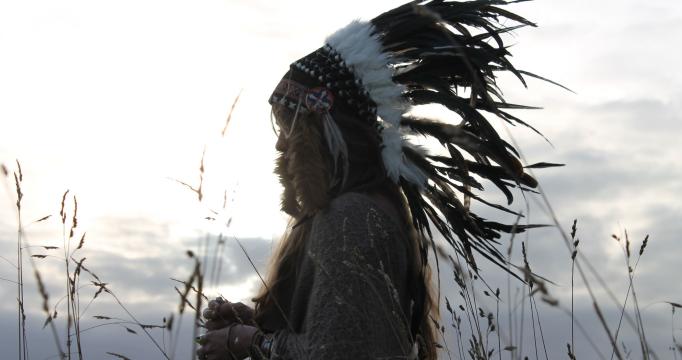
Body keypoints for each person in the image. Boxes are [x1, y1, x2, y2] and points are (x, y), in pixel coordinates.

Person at [196, 1, 548, 359]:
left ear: (325, 132)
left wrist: (247, 341)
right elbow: (344, 328)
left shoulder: (352, 218)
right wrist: (256, 322)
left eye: (291, 127)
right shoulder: (359, 209)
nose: (280, 144)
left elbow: (340, 352)